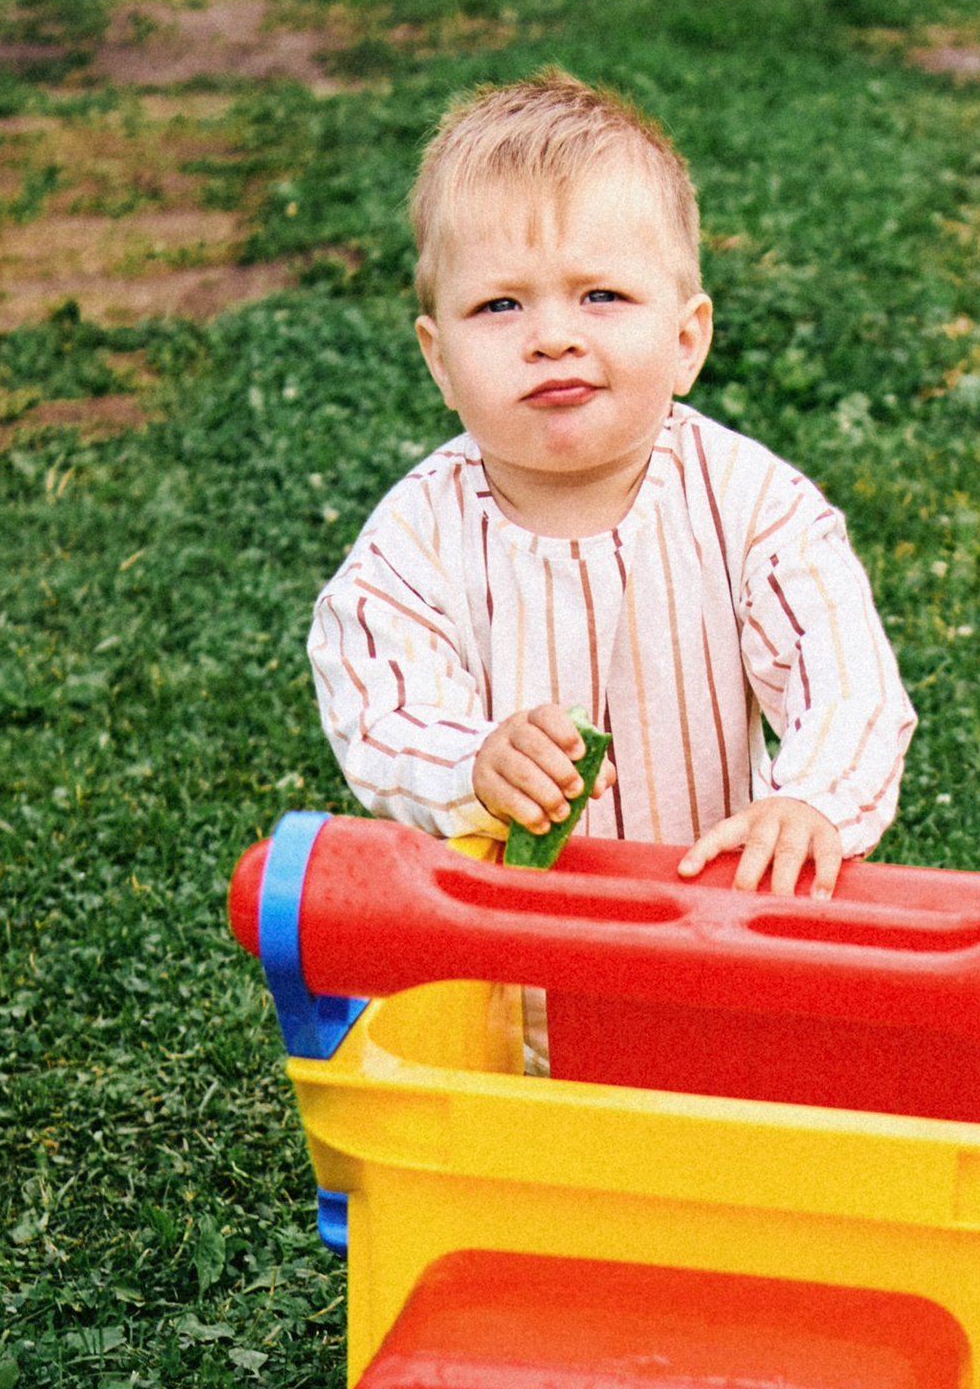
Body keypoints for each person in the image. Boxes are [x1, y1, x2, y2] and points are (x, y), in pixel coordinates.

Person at [308, 72, 914, 901]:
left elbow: (845, 674)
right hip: (508, 945)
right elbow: (380, 704)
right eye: (499, 306)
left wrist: (816, 797)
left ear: (686, 339)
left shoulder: (753, 506)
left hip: (714, 929)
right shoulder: (415, 542)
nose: (552, 337)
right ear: (439, 358)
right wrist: (470, 760)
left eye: (601, 295)